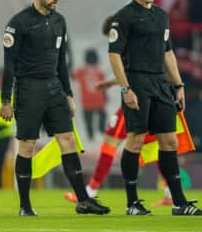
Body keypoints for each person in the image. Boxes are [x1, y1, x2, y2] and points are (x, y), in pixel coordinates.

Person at [0, 0, 110, 216]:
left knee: (68, 140)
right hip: (28, 90)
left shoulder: (59, 21)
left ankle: (83, 201)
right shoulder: (18, 24)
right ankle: (25, 206)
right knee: (27, 146)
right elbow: (8, 65)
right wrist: (6, 100)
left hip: (54, 88)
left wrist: (68, 94)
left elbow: (61, 62)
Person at [108, 0, 202, 216]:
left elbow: (167, 53)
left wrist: (178, 85)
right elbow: (114, 54)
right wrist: (125, 88)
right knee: (136, 139)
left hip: (160, 83)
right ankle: (132, 202)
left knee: (170, 141)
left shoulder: (161, 16)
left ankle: (179, 202)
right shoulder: (124, 17)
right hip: (136, 81)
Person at [64, 16, 172, 206]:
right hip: (147, 97)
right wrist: (111, 83)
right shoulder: (141, 41)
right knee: (157, 146)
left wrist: (119, 85)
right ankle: (170, 192)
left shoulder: (131, 44)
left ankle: (91, 190)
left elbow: (136, 72)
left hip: (135, 100)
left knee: (111, 142)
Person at [73, 48, 107, 141]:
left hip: (86, 101)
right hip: (99, 100)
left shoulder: (81, 71)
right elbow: (103, 86)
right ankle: (101, 129)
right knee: (102, 115)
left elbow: (73, 76)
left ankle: (90, 134)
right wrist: (105, 97)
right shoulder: (100, 71)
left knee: (88, 119)